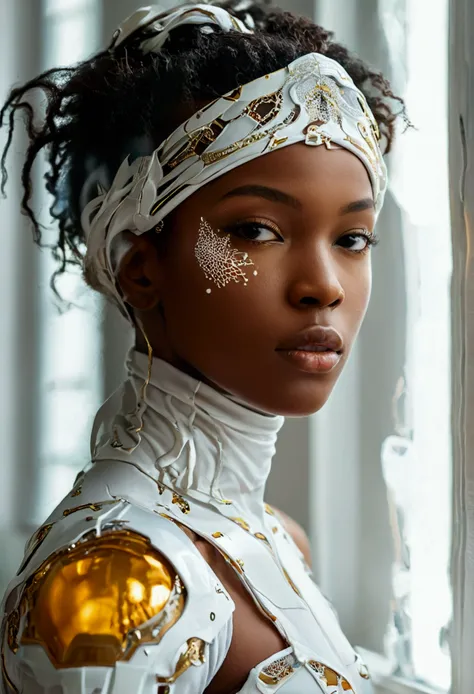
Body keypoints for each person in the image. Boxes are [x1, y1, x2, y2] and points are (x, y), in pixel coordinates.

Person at [0, 2, 406, 692]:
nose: (324, 286)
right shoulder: (114, 585)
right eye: (255, 231)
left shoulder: (278, 537)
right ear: (141, 265)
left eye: (352, 238)